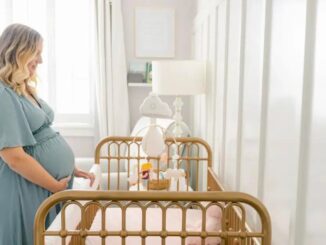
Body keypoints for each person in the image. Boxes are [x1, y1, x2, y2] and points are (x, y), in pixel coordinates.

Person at [0, 23, 95, 245]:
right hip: (24, 188)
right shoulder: (2, 94)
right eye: (37, 53)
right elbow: (13, 157)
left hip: (42, 186)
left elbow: (42, 137)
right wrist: (55, 186)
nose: (40, 61)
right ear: (19, 52)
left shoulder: (20, 88)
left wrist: (71, 169)